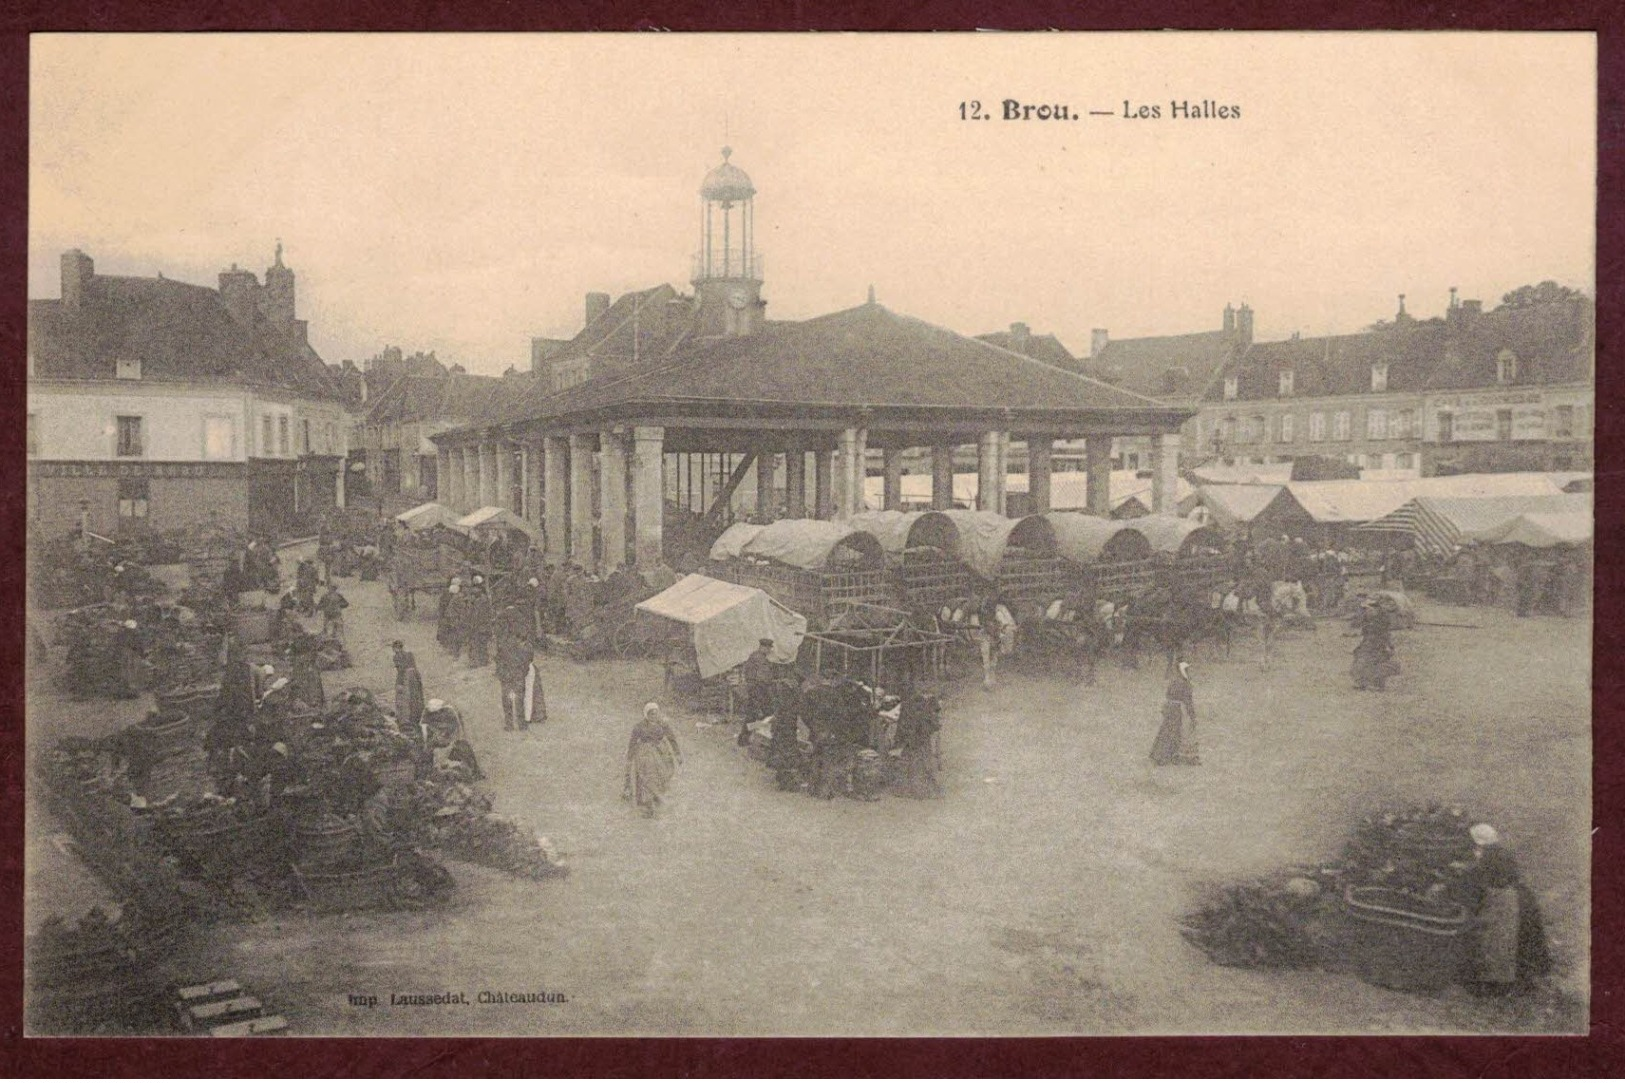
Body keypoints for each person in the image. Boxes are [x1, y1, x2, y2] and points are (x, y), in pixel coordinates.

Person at [1459, 823, 1551, 995]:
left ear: (1480, 844)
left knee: (1499, 940)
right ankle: (1518, 976)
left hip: (1505, 902)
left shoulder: (1488, 858)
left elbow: (1481, 880)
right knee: (1510, 941)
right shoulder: (1500, 854)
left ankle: (1496, 982)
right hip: (1518, 897)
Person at [623, 702, 683, 817]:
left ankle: (656, 798)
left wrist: (677, 754)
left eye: (655, 713)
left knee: (663, 775)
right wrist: (630, 758)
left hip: (661, 753)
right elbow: (632, 742)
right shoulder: (639, 727)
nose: (654, 715)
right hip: (645, 755)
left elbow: (672, 739)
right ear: (646, 714)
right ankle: (648, 805)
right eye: (651, 713)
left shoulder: (663, 724)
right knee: (647, 777)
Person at [894, 683, 943, 799]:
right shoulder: (923, 704)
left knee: (913, 759)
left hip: (912, 737)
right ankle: (920, 789)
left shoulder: (910, 704)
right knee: (920, 760)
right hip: (919, 737)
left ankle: (908, 788)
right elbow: (934, 725)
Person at [495, 624, 546, 730]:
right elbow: (527, 662)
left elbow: (499, 662)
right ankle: (522, 724)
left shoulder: (503, 647)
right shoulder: (524, 648)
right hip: (518, 677)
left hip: (508, 678)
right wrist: (522, 673)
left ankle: (510, 725)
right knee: (519, 700)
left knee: (508, 701)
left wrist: (501, 675)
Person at [1150, 660, 1200, 766]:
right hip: (1177, 710)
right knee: (1175, 733)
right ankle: (1168, 755)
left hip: (1169, 708)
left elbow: (1167, 694)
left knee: (1165, 731)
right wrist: (1192, 716)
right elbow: (1188, 701)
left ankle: (1159, 754)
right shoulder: (1186, 683)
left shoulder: (1173, 681)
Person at [767, 674, 805, 792]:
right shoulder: (792, 690)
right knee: (788, 751)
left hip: (780, 723)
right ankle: (787, 781)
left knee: (780, 749)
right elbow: (798, 706)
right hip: (788, 723)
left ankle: (782, 777)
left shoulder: (780, 687)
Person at [1351, 597, 1398, 691]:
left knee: (1374, 663)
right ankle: (1362, 682)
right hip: (1369, 643)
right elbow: (1357, 626)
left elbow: (1385, 635)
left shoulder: (1380, 621)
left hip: (1377, 645)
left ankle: (1376, 684)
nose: (1366, 611)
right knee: (1361, 659)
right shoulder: (1369, 620)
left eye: (1367, 609)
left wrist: (1388, 646)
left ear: (1374, 609)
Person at [738, 638, 777, 746]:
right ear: (763, 647)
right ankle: (753, 738)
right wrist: (771, 682)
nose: (769, 650)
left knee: (754, 715)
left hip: (753, 689)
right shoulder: (760, 658)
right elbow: (763, 677)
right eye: (768, 648)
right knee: (765, 714)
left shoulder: (754, 656)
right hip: (758, 690)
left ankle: (746, 738)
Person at [393, 642, 425, 735]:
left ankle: (408, 720)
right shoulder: (409, 654)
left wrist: (399, 683)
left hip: (407, 678)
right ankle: (416, 717)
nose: (394, 650)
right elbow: (414, 667)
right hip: (413, 676)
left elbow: (401, 671)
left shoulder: (397, 657)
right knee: (415, 697)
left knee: (407, 698)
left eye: (394, 648)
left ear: (397, 648)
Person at [463, 577, 494, 667]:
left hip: (477, 624)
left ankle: (477, 661)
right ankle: (482, 660)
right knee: (481, 643)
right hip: (481, 624)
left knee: (476, 643)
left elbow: (472, 613)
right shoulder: (484, 597)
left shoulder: (475, 598)